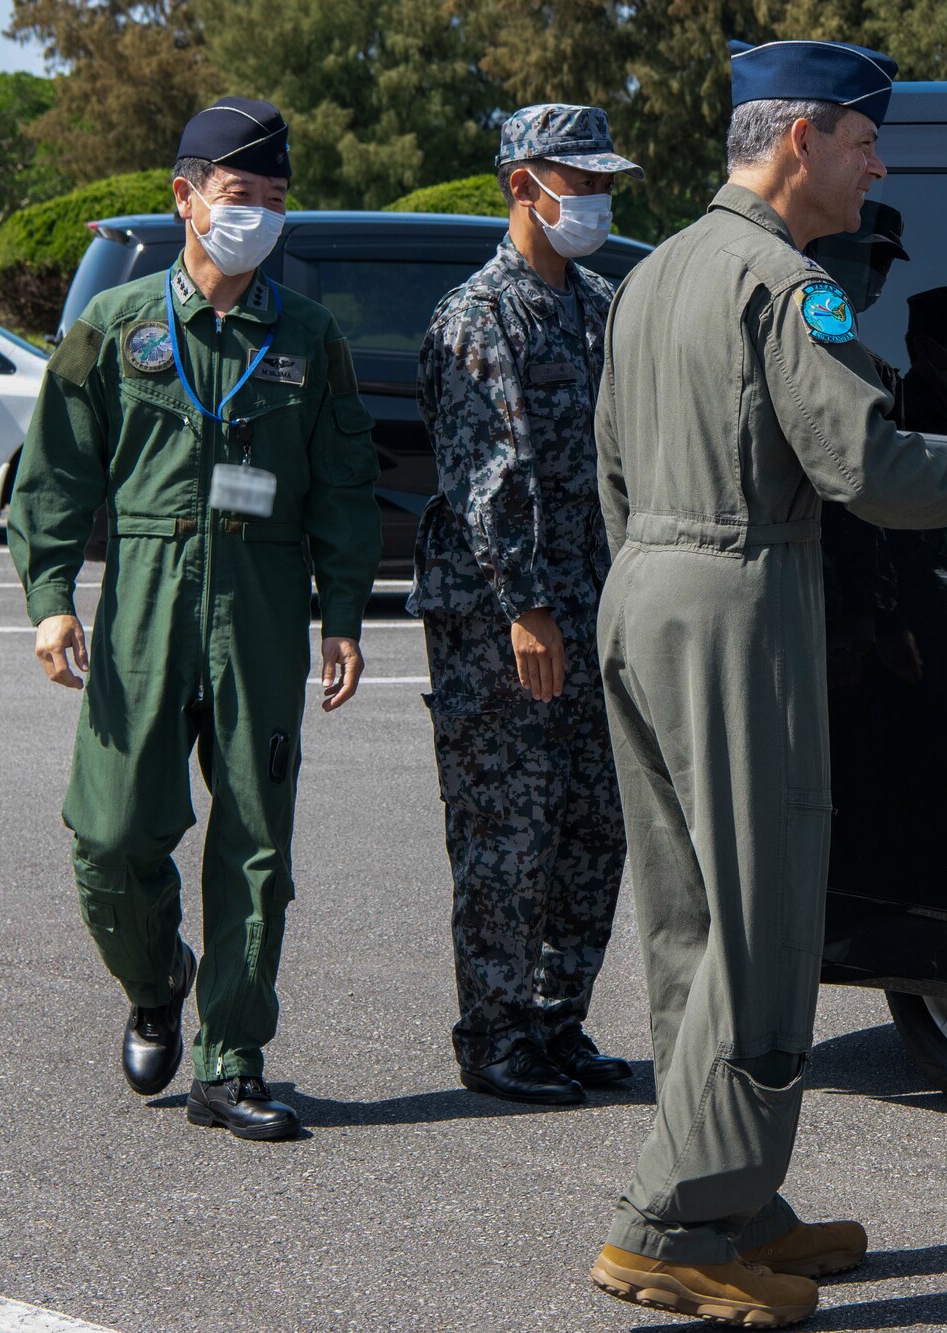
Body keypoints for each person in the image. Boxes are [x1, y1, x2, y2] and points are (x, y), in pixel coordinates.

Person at [586, 37, 947, 1328]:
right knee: (764, 920)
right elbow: (860, 461)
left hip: (646, 585)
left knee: (687, 919)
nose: (875, 163)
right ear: (802, 144)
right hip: (738, 597)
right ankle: (670, 1221)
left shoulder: (656, 269)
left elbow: (610, 463)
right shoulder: (792, 287)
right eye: (861, 141)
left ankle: (734, 1192)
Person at [7, 97, 382, 1142]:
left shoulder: (306, 338)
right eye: (235, 196)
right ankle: (155, 972)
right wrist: (49, 600)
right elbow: (53, 476)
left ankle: (231, 1060)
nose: (254, 215)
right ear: (185, 198)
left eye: (271, 200)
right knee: (112, 829)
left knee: (256, 840)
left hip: (259, 604)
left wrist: (341, 613)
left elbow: (344, 486)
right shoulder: (117, 325)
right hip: (144, 598)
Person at [411, 104, 642, 1107]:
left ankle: (555, 1022)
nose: (590, 200)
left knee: (593, 825)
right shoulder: (478, 314)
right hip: (503, 620)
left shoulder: (598, 303)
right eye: (573, 182)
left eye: (600, 185)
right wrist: (527, 605)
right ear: (520, 186)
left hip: (596, 606)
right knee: (507, 833)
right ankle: (494, 1035)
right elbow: (487, 474)